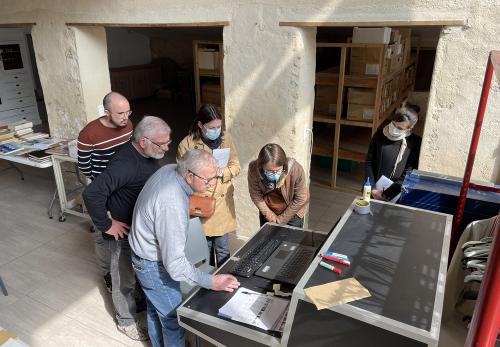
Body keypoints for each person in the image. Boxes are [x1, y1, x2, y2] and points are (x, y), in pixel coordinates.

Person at [129, 149, 240, 347]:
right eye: (208, 180)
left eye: (214, 177)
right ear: (189, 175)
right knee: (172, 319)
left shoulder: (172, 169)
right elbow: (175, 264)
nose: (212, 184)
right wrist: (210, 281)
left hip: (142, 256)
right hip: (152, 265)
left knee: (156, 310)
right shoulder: (171, 202)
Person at [82, 116, 171, 341]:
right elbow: (91, 194)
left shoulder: (148, 153)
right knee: (123, 276)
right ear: (143, 141)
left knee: (138, 271)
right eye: (162, 144)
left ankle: (137, 303)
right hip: (122, 231)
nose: (166, 148)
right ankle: (125, 320)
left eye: (167, 142)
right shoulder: (126, 165)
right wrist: (107, 223)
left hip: (139, 229)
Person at [77, 91, 133, 293]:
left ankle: (127, 269)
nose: (126, 118)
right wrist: (106, 182)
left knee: (125, 229)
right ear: (107, 112)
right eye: (120, 113)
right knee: (103, 234)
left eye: (128, 112)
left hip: (125, 189)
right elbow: (85, 166)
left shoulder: (128, 125)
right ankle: (107, 273)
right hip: (103, 191)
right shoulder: (88, 134)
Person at [177, 104, 240, 267]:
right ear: (200, 125)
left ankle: (224, 282)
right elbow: (182, 176)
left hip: (221, 204)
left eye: (219, 126)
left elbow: (236, 166)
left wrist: (222, 172)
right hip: (200, 203)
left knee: (223, 250)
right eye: (211, 127)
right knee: (204, 252)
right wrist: (204, 178)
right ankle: (207, 284)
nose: (216, 130)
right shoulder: (187, 144)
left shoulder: (227, 139)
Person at [365, 101, 421, 201]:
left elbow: (409, 173)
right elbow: (369, 162)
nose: (394, 129)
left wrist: (387, 193)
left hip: (396, 194)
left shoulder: (414, 143)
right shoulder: (380, 134)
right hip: (372, 190)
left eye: (400, 128)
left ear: (410, 128)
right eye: (393, 124)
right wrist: (373, 188)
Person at [248, 143, 309, 227]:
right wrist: (270, 217)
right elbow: (255, 195)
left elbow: (301, 198)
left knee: (291, 239)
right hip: (268, 211)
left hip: (292, 213)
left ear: (283, 165)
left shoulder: (296, 169)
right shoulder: (253, 168)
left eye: (277, 170)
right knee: (267, 239)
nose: (274, 174)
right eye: (269, 171)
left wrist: (280, 220)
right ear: (261, 166)